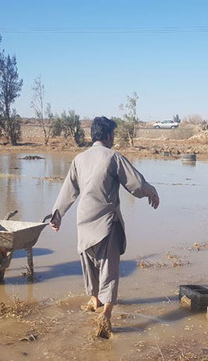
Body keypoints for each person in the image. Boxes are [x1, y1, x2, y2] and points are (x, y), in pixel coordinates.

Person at [49, 116, 159, 338]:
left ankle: (94, 300)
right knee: (109, 269)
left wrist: (57, 215)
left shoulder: (79, 159)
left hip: (83, 224)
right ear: (108, 136)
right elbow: (136, 184)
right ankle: (106, 314)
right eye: (113, 136)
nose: (113, 139)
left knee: (90, 266)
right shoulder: (113, 157)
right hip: (105, 224)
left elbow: (68, 190)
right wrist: (152, 191)